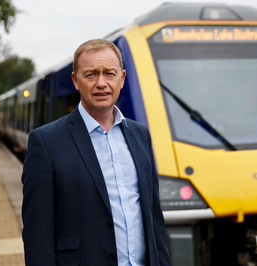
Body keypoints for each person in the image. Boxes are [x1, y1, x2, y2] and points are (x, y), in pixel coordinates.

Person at [21, 39, 171, 266]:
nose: (101, 83)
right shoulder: (46, 142)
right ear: (75, 81)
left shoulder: (140, 135)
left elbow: (153, 219)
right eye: (91, 75)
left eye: (109, 74)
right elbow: (37, 236)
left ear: (122, 78)